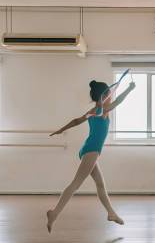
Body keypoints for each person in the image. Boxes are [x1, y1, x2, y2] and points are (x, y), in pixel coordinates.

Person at [46, 79, 136, 233]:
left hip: (88, 150)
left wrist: (61, 130)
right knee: (75, 184)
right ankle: (54, 214)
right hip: (92, 150)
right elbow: (119, 101)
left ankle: (111, 213)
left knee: (100, 184)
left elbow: (76, 121)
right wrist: (129, 89)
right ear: (105, 94)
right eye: (108, 92)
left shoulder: (93, 111)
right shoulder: (103, 110)